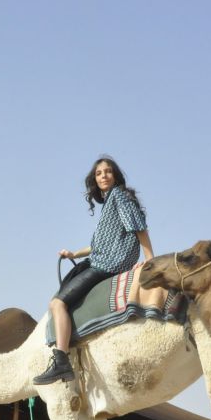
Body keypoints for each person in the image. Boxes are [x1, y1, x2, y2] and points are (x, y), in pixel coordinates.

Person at [33, 155, 154, 385]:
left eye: (108, 171)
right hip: (103, 260)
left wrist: (150, 260)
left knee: (57, 304)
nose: (103, 176)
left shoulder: (119, 196)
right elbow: (98, 246)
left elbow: (139, 227)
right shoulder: (110, 204)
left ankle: (61, 360)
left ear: (115, 175)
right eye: (99, 173)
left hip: (108, 264)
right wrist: (74, 254)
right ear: (95, 180)